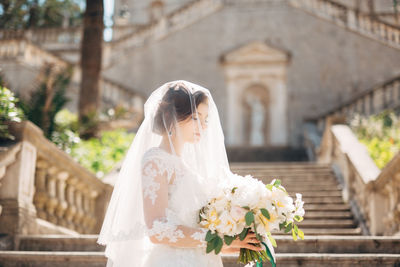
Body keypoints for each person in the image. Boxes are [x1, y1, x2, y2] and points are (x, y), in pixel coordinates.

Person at [97, 80, 263, 266]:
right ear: (171, 117)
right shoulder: (155, 161)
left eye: (205, 119)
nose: (203, 126)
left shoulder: (188, 167)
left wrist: (225, 243)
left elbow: (192, 224)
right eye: (195, 118)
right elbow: (157, 230)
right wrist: (216, 240)